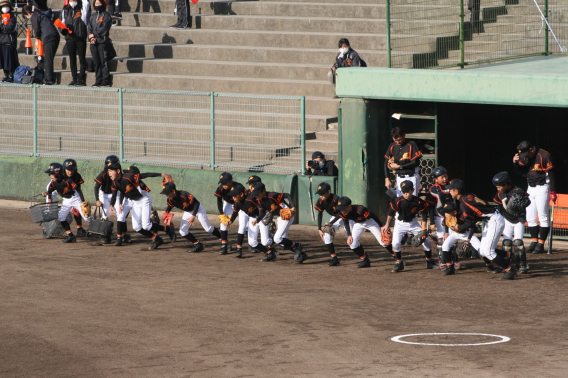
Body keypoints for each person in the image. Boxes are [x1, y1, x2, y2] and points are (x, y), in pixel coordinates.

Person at [448, 179, 519, 280]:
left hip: (494, 220)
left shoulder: (464, 203)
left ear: (456, 191)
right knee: (482, 251)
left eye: (451, 189)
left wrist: (458, 227)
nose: (449, 191)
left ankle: (510, 270)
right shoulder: (467, 196)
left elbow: (470, 223)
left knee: (488, 252)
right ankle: (512, 256)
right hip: (490, 220)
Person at [108, 161, 176, 249]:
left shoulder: (129, 177)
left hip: (144, 199)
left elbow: (146, 174)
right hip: (135, 202)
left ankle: (168, 230)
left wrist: (162, 174)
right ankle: (156, 238)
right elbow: (115, 194)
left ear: (118, 171)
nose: (109, 173)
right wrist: (112, 205)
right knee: (136, 227)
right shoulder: (114, 183)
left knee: (146, 225)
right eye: (108, 171)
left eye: (111, 170)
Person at [513, 141, 556, 254]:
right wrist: (516, 163)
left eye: (526, 153)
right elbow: (521, 171)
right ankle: (534, 241)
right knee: (530, 216)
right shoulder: (525, 157)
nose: (524, 156)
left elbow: (551, 174)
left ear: (531, 149)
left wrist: (553, 191)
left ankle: (541, 243)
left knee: (543, 216)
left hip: (542, 187)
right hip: (530, 187)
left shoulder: (544, 155)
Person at [382, 180, 433, 273]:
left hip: (413, 224)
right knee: (395, 244)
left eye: (407, 192)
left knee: (427, 241)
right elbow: (390, 212)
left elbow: (424, 212)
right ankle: (398, 263)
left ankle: (429, 261)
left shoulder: (418, 201)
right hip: (400, 224)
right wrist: (387, 224)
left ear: (412, 190)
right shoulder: (398, 201)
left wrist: (424, 227)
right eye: (403, 192)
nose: (405, 194)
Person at [251, 182, 306, 263]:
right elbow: (262, 212)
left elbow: (287, 195)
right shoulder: (259, 200)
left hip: (287, 215)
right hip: (279, 217)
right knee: (280, 240)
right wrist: (257, 220)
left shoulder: (272, 195)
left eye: (257, 194)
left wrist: (293, 206)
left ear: (263, 191)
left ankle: (297, 247)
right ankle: (298, 249)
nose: (256, 196)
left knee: (277, 238)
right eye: (254, 194)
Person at [160, 182, 223, 253]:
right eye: (166, 194)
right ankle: (198, 244)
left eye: (168, 193)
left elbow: (196, 203)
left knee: (208, 229)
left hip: (198, 209)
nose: (167, 195)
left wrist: (193, 216)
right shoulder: (170, 199)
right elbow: (170, 205)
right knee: (182, 231)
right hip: (188, 211)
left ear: (173, 191)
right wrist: (166, 213)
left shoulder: (183, 194)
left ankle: (224, 240)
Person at [331, 196, 392, 268]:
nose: (342, 211)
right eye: (340, 209)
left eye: (343, 208)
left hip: (370, 222)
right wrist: (349, 235)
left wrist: (381, 226)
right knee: (352, 243)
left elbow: (373, 215)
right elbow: (346, 222)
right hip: (358, 224)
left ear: (349, 206)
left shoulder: (360, 209)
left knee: (383, 243)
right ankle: (365, 260)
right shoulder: (343, 212)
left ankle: (397, 257)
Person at [42, 162, 91, 243]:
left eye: (51, 174)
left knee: (86, 217)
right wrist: (47, 195)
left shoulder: (68, 180)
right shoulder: (54, 182)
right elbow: (50, 190)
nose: (50, 176)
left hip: (75, 198)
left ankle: (100, 228)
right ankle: (71, 236)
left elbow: (78, 190)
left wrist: (83, 202)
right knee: (61, 217)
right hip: (66, 200)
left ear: (57, 173)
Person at [492, 171, 531, 274]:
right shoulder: (500, 194)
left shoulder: (517, 191)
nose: (498, 189)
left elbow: (528, 201)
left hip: (518, 220)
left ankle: (523, 264)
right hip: (507, 219)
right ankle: (506, 264)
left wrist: (521, 204)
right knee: (507, 243)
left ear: (506, 184)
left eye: (499, 187)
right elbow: (499, 205)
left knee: (518, 243)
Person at [425, 166, 461, 269]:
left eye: (445, 176)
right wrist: (431, 222)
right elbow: (430, 208)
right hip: (439, 217)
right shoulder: (433, 189)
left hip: (452, 217)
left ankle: (454, 260)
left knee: (453, 240)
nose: (444, 179)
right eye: (441, 177)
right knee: (441, 241)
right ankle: (443, 261)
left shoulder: (453, 186)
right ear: (436, 179)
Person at [437, 201, 482, 276]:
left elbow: (472, 227)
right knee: (445, 246)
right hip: (455, 234)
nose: (445, 214)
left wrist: (468, 240)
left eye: (447, 212)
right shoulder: (448, 216)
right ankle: (450, 267)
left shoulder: (463, 216)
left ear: (455, 212)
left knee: (481, 249)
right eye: (445, 212)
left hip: (467, 234)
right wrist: (446, 233)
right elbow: (445, 221)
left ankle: (489, 265)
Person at [314, 182, 352, 266]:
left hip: (346, 217)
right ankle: (334, 258)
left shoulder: (336, 199)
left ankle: (363, 256)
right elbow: (320, 214)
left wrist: (330, 223)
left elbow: (341, 213)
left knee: (352, 242)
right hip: (335, 218)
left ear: (329, 191)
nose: (321, 196)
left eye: (323, 193)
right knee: (326, 235)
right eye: (320, 194)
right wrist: (319, 229)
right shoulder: (321, 201)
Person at [23, 4, 60, 85]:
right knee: (49, 58)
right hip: (55, 36)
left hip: (49, 37)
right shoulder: (40, 14)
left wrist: (38, 37)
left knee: (48, 59)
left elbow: (37, 29)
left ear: (28, 13)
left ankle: (48, 79)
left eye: (26, 16)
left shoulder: (34, 16)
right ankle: (49, 77)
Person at [225, 183, 261, 258]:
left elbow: (262, 206)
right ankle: (239, 249)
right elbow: (235, 211)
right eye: (232, 196)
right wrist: (231, 220)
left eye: (234, 196)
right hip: (247, 213)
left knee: (261, 239)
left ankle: (269, 245)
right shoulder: (238, 201)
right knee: (242, 228)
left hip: (257, 215)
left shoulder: (252, 197)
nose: (233, 198)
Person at [59, 0, 90, 86]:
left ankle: (81, 79)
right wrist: (63, 30)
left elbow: (87, 3)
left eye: (74, 0)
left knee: (82, 59)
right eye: (71, 0)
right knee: (72, 60)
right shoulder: (65, 10)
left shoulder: (82, 10)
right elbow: (61, 23)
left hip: (80, 38)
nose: (72, 2)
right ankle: (74, 79)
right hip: (70, 39)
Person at [384, 127, 422, 196]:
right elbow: (385, 162)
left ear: (404, 135)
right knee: (400, 202)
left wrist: (399, 166)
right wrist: (387, 178)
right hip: (399, 177)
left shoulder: (411, 144)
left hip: (411, 176)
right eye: (395, 140)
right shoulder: (392, 146)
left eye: (399, 139)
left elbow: (415, 163)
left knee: (411, 199)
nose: (398, 142)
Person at [214, 172, 242, 254]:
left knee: (244, 224)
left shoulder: (238, 187)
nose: (224, 185)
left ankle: (251, 245)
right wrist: (221, 214)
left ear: (231, 181)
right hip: (228, 204)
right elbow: (219, 202)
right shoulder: (220, 189)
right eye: (222, 183)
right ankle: (224, 245)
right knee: (223, 223)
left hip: (240, 204)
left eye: (225, 183)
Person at [88, 0, 112, 87]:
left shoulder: (106, 15)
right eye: (96, 3)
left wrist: (95, 35)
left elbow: (105, 28)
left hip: (103, 42)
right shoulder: (92, 16)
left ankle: (106, 80)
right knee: (96, 62)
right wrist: (91, 37)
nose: (98, 5)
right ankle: (98, 79)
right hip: (93, 42)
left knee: (103, 61)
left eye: (99, 3)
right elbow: (89, 27)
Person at [62, 158, 88, 237]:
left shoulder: (76, 176)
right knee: (62, 215)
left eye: (72, 170)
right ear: (64, 169)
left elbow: (78, 190)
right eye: (68, 170)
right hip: (64, 195)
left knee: (79, 210)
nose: (70, 172)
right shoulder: (61, 177)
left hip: (74, 194)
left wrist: (82, 202)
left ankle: (79, 229)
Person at [0, 0, 19, 83]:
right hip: (1, 41)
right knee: (3, 59)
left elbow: (9, 28)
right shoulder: (0, 17)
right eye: (3, 7)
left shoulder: (12, 17)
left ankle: (11, 75)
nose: (5, 8)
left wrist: (2, 26)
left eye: (6, 6)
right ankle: (6, 75)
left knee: (10, 59)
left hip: (10, 41)